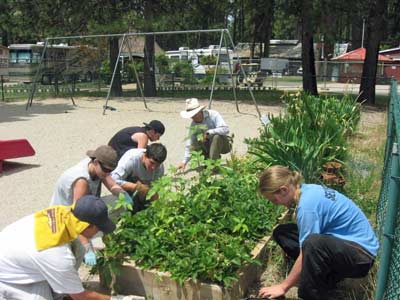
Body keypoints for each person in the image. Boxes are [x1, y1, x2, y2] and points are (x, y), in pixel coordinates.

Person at [257, 165, 379, 300]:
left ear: (284, 190)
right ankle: (327, 279)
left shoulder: (307, 207)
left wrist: (283, 286)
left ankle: (314, 294)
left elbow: (307, 248)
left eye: (274, 200)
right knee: (282, 232)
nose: (275, 203)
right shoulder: (306, 190)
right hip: (345, 244)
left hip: (361, 255)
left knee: (312, 243)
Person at [0, 195, 137, 300]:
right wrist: (117, 299)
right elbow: (80, 296)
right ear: (87, 226)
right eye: (99, 228)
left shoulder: (64, 213)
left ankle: (63, 288)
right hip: (8, 278)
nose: (98, 233)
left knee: (79, 248)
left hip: (17, 255)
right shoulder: (57, 255)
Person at [50, 145, 130, 267]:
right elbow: (78, 218)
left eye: (111, 171)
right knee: (76, 254)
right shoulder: (81, 181)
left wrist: (122, 194)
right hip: (64, 218)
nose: (108, 174)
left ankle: (100, 233)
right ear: (96, 162)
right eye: (106, 170)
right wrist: (87, 248)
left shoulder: (98, 168)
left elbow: (111, 184)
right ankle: (81, 250)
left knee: (117, 203)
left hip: (82, 209)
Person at [178, 98, 231, 171]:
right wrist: (184, 162)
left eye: (194, 115)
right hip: (208, 147)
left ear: (200, 111)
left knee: (216, 137)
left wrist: (209, 132)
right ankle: (209, 161)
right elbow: (190, 144)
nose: (193, 118)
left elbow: (226, 129)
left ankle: (212, 165)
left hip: (224, 145)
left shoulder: (213, 114)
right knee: (195, 142)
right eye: (191, 116)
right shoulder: (193, 125)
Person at [111, 143, 167, 213]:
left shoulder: (160, 168)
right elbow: (113, 180)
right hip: (127, 182)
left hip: (144, 187)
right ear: (144, 156)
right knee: (129, 208)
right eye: (151, 163)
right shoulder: (131, 159)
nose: (153, 168)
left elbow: (155, 190)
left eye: (157, 165)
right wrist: (135, 187)